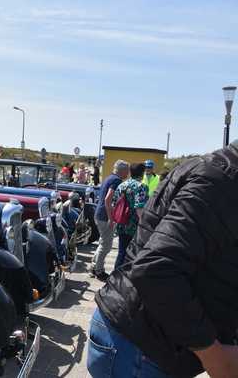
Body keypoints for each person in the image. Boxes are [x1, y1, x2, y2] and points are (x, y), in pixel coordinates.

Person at [87, 142, 238, 377]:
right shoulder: (224, 181)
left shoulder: (211, 169)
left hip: (141, 335)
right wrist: (214, 355)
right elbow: (155, 270)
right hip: (143, 347)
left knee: (121, 252)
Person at [88, 160, 129, 281]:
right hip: (105, 217)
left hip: (99, 215)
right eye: (127, 170)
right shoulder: (116, 180)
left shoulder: (109, 178)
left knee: (102, 243)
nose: (128, 173)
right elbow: (108, 198)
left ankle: (94, 267)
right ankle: (99, 271)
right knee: (106, 246)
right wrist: (111, 218)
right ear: (122, 169)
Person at [112, 162, 148, 269]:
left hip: (122, 224)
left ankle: (114, 279)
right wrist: (145, 225)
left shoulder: (121, 185)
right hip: (134, 226)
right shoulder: (141, 187)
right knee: (135, 256)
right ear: (142, 173)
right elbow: (139, 207)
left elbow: (115, 204)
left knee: (121, 254)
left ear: (131, 172)